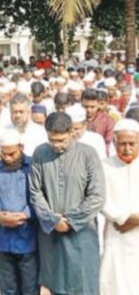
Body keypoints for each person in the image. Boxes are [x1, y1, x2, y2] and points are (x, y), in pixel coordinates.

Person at [29, 112, 105, 295]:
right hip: (51, 233)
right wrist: (52, 220)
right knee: (56, 284)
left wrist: (70, 221)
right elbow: (35, 192)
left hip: (82, 232)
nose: (56, 145)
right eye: (52, 140)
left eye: (61, 140)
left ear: (72, 132)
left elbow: (97, 195)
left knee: (84, 283)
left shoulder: (88, 154)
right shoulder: (40, 153)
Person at [0, 129, 39, 295]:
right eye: (4, 154)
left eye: (12, 154)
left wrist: (25, 214)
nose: (7, 158)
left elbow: (41, 198)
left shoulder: (34, 166)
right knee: (8, 289)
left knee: (30, 289)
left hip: (28, 238)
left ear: (21, 147)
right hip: (3, 239)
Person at [99, 119, 139, 294]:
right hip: (116, 231)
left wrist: (137, 220)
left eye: (132, 143)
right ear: (114, 143)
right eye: (122, 144)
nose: (127, 148)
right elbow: (100, 199)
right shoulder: (104, 166)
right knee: (114, 281)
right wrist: (122, 218)